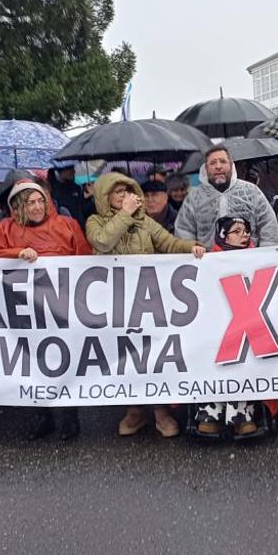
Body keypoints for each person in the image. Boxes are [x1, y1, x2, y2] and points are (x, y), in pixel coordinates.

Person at [86, 172, 206, 438]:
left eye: (128, 191)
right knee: (124, 353)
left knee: (150, 354)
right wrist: (125, 215)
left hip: (145, 298)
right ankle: (134, 410)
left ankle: (160, 411)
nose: (126, 196)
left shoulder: (145, 222)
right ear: (106, 197)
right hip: (114, 299)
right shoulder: (94, 221)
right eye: (118, 192)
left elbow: (168, 242)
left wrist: (192, 247)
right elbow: (102, 242)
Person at [0, 180, 92, 440]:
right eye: (30, 202)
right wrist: (17, 252)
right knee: (34, 362)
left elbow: (85, 260)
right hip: (26, 308)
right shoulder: (7, 228)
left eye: (40, 200)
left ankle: (69, 415)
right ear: (18, 205)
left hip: (62, 305)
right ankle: (41, 416)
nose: (37, 206)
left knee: (64, 359)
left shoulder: (67, 225)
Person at [193, 216, 273, 437]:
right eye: (236, 231)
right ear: (222, 236)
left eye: (246, 230)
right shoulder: (209, 259)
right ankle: (210, 412)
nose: (244, 235)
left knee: (244, 356)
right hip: (216, 323)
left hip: (248, 322)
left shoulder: (259, 257)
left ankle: (242, 414)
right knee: (207, 354)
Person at [176, 145, 278, 248]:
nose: (218, 166)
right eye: (212, 163)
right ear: (206, 168)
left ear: (231, 165)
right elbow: (184, 230)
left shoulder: (251, 192)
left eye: (223, 161)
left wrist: (266, 255)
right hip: (209, 262)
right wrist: (191, 252)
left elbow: (268, 225)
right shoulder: (195, 197)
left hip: (249, 261)